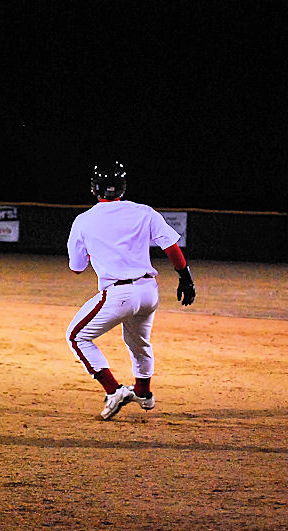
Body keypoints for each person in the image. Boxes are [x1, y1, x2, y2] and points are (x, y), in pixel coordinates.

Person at [66, 162, 196, 421]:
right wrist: (186, 278)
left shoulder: (83, 220)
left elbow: (77, 268)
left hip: (119, 293)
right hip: (148, 292)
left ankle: (113, 390)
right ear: (123, 188)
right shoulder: (144, 212)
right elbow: (171, 246)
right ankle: (144, 394)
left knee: (76, 337)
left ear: (94, 188)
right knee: (139, 343)